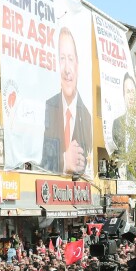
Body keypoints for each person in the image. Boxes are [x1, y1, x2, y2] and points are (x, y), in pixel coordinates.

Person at [41, 27, 92, 176]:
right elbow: (36, 158)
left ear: (77, 65)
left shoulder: (87, 117)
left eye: (70, 59)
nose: (67, 69)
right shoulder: (47, 107)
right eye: (62, 59)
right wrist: (64, 160)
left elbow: (87, 165)